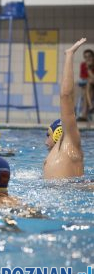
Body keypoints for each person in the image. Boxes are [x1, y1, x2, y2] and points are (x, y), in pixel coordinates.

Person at [44, 38, 85, 179]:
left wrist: (69, 55)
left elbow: (66, 96)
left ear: (58, 133)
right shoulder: (55, 154)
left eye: (48, 135)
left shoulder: (70, 146)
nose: (45, 141)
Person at [77, 49, 94, 121]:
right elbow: (82, 77)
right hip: (89, 86)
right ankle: (90, 107)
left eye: (89, 56)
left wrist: (89, 69)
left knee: (89, 84)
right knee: (88, 87)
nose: (88, 59)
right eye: (86, 57)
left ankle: (85, 114)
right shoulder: (83, 65)